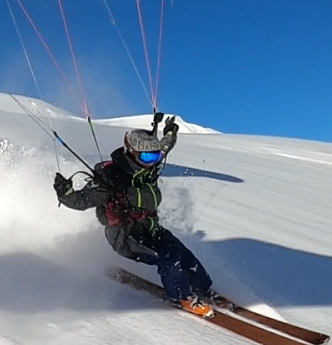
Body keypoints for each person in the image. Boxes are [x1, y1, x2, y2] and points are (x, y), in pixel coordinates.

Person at [53, 113, 218, 317]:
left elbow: (165, 147)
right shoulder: (109, 180)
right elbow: (80, 201)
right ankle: (181, 297)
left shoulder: (148, 166)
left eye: (155, 156)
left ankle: (204, 289)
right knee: (170, 258)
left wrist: (170, 132)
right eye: (148, 157)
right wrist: (65, 192)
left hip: (150, 228)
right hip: (125, 235)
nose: (153, 162)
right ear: (132, 153)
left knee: (184, 255)